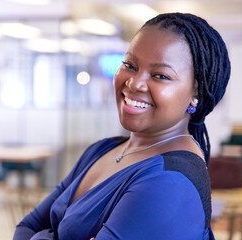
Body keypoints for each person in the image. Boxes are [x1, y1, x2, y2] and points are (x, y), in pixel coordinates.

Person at [13, 12, 230, 240]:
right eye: (130, 65)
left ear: (196, 91)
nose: (135, 83)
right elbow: (27, 226)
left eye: (160, 75)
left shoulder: (171, 183)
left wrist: (41, 236)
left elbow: (35, 231)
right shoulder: (102, 151)